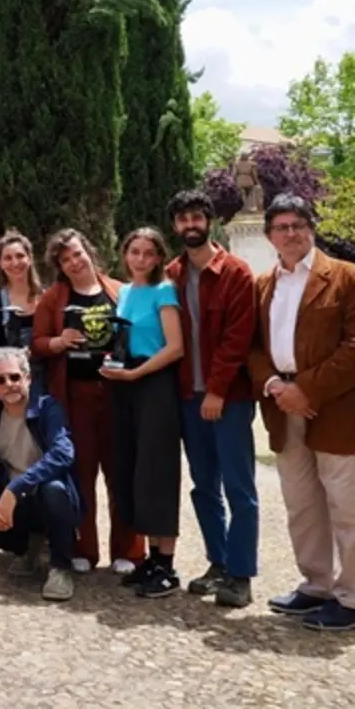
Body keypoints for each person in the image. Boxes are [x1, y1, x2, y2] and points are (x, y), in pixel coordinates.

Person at [247, 193, 355, 631]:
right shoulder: (263, 285)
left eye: (298, 225)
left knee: (346, 504)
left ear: (311, 228)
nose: (290, 233)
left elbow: (353, 347)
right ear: (269, 235)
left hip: (336, 407)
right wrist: (275, 386)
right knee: (302, 502)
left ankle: (351, 597)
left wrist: (306, 389)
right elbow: (253, 347)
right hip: (282, 406)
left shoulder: (345, 277)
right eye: (281, 227)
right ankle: (316, 585)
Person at [164, 189, 258, 608]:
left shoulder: (236, 273)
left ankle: (241, 574)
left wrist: (217, 389)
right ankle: (217, 563)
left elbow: (238, 339)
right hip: (189, 397)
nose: (190, 225)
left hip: (229, 398)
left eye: (196, 218)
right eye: (183, 219)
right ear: (175, 226)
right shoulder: (173, 274)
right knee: (204, 486)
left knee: (239, 488)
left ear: (209, 221)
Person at [32, 229, 146, 575]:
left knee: (121, 471)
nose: (74, 262)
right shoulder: (53, 298)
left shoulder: (119, 291)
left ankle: (129, 550)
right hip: (75, 395)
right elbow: (36, 343)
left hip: (115, 393)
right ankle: (83, 548)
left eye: (77, 254)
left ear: (89, 252)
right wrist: (58, 342)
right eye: (65, 259)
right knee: (80, 473)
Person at [0, 347, 79, 601]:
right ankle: (27, 548)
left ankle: (60, 567)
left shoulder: (48, 408)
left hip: (44, 494)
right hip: (13, 501)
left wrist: (17, 487)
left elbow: (63, 453)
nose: (9, 384)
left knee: (54, 491)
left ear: (28, 378)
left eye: (14, 377)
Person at [102, 228, 185, 598]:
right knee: (134, 471)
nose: (140, 259)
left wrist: (137, 374)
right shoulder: (124, 292)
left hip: (154, 384)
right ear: (125, 254)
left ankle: (167, 565)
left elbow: (175, 347)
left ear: (159, 258)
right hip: (125, 385)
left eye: (148, 253)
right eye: (134, 251)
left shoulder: (164, 291)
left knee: (158, 472)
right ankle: (151, 559)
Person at [0, 230, 45, 396]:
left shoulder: (46, 298)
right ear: (0, 263)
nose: (15, 262)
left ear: (30, 258)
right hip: (7, 384)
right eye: (8, 258)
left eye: (20, 256)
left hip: (45, 380)